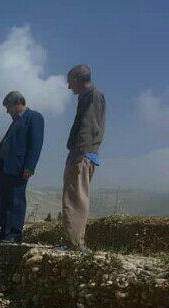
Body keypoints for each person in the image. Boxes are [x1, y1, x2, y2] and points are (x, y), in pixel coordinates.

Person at [62, 64, 106, 251]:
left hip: (81, 154)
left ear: (77, 79)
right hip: (81, 153)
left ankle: (74, 243)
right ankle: (72, 241)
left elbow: (88, 127)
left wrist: (78, 155)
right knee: (73, 197)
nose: (68, 87)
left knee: (75, 198)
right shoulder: (87, 97)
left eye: (70, 82)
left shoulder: (93, 96)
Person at [0, 91, 44, 243]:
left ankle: (15, 233)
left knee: (16, 200)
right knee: (4, 201)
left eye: (8, 107)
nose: (7, 111)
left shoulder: (33, 117)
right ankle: (4, 231)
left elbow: (36, 143)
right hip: (5, 168)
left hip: (19, 167)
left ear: (17, 103)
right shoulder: (15, 121)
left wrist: (30, 166)